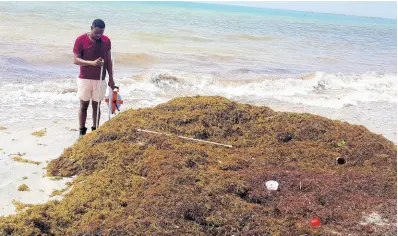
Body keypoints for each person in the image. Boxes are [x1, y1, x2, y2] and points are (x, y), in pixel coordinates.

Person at [73, 19, 114, 137]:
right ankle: (82, 132)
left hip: (100, 79)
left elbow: (109, 60)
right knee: (84, 105)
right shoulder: (81, 40)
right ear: (91, 28)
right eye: (96, 32)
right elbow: (75, 60)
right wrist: (92, 63)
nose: (99, 35)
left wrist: (111, 78)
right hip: (84, 78)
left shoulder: (106, 41)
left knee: (97, 105)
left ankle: (95, 131)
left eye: (101, 33)